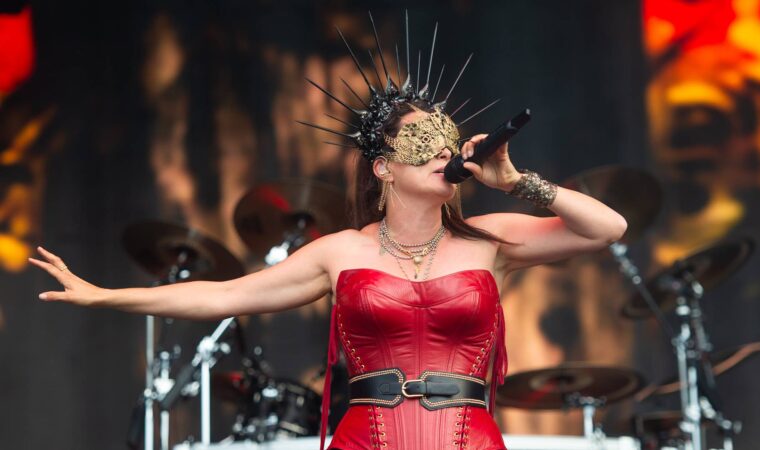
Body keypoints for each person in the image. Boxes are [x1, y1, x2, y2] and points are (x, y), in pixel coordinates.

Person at [29, 18, 627, 450]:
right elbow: (224, 296)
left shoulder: (489, 239)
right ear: (383, 167)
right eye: (422, 143)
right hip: (366, 438)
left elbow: (609, 228)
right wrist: (102, 296)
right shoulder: (341, 252)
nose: (443, 151)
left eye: (448, 141)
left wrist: (517, 181)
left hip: (468, 438)